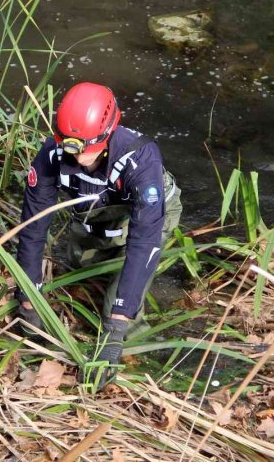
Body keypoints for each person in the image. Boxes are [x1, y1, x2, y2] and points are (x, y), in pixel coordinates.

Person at [15, 82, 183, 388]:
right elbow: (33, 228)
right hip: (94, 211)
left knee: (117, 307)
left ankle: (144, 370)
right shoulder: (51, 155)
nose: (76, 157)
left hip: (143, 217)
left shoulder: (141, 160)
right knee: (80, 277)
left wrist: (117, 326)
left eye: (85, 148)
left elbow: (143, 242)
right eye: (68, 145)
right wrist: (28, 296)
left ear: (108, 134)